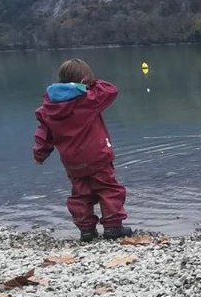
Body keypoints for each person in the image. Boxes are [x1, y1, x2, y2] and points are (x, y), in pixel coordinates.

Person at [33, 59, 133, 242]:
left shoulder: (48, 109)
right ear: (85, 80)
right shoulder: (89, 99)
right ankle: (112, 227)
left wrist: (40, 155)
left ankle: (86, 231)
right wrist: (90, 84)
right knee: (109, 189)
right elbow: (111, 89)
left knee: (81, 194)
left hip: (72, 162)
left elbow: (43, 135)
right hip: (98, 157)